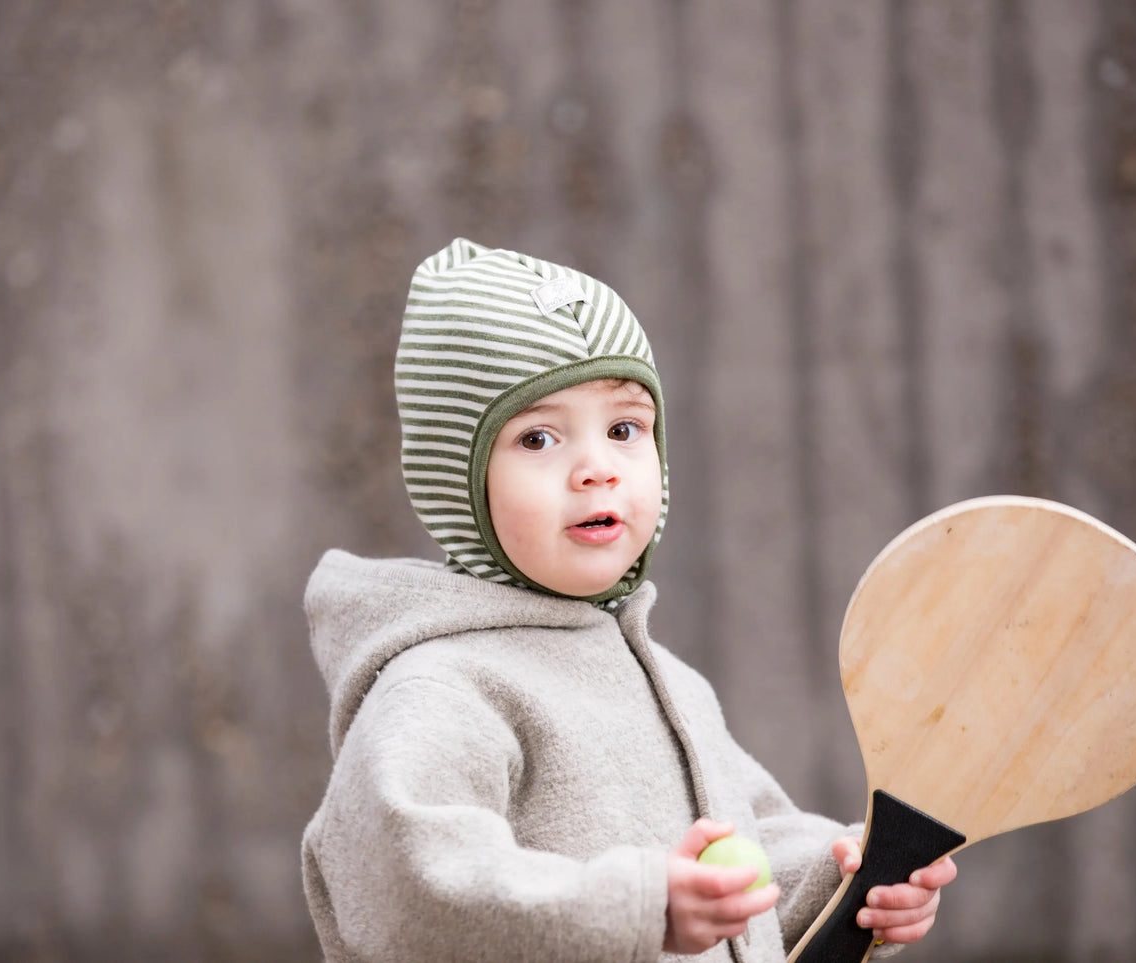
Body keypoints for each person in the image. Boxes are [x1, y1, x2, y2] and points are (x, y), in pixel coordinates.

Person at [301, 238, 956, 962]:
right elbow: (411, 889)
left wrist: (847, 876)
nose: (596, 469)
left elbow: (748, 848)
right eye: (539, 436)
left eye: (623, 429)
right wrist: (638, 906)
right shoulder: (439, 688)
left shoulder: (668, 682)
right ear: (457, 482)